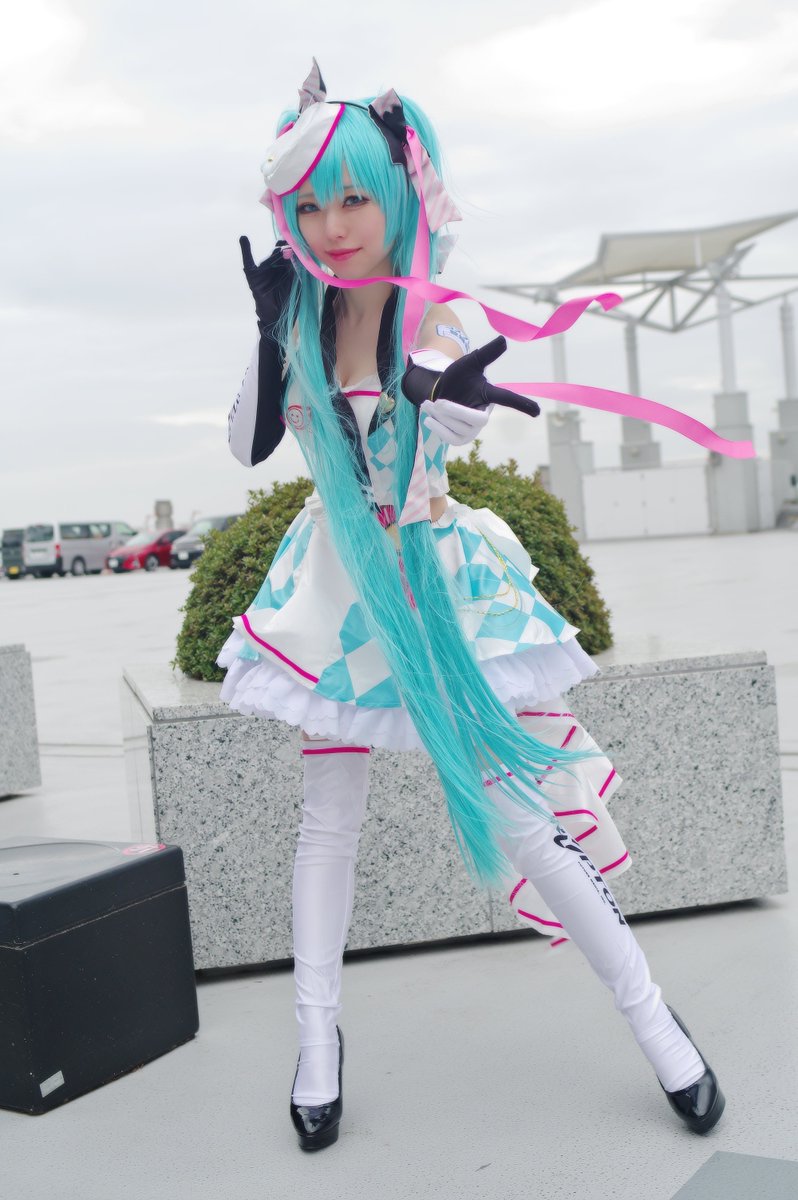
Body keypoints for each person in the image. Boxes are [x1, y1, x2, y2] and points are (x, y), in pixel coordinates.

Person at [219, 60, 725, 1152]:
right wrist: (268, 334)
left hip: (435, 581)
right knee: (327, 824)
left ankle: (658, 1026)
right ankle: (316, 1045)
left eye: (354, 198)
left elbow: (453, 396)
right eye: (311, 202)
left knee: (524, 823)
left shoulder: (432, 311)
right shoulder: (300, 313)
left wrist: (443, 400)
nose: (333, 224)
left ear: (400, 194)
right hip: (335, 589)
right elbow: (249, 442)